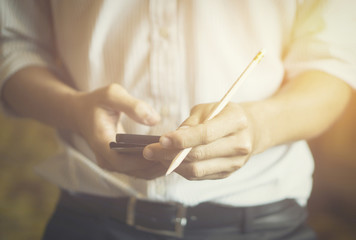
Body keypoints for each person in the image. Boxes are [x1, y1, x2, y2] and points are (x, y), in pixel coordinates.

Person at [1, 0, 355, 239]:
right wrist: (73, 109)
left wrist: (259, 126)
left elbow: (333, 63)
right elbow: (13, 45)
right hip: (90, 217)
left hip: (262, 222)